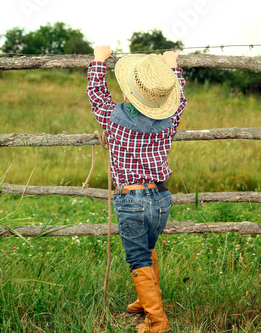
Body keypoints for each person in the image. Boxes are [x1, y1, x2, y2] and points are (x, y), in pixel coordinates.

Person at [87, 45, 187, 332]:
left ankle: (157, 321)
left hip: (131, 198)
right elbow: (179, 102)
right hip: (161, 198)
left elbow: (97, 95)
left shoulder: (112, 116)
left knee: (138, 257)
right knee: (149, 247)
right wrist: (173, 68)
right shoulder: (170, 120)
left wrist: (98, 62)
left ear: (130, 91)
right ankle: (147, 302)